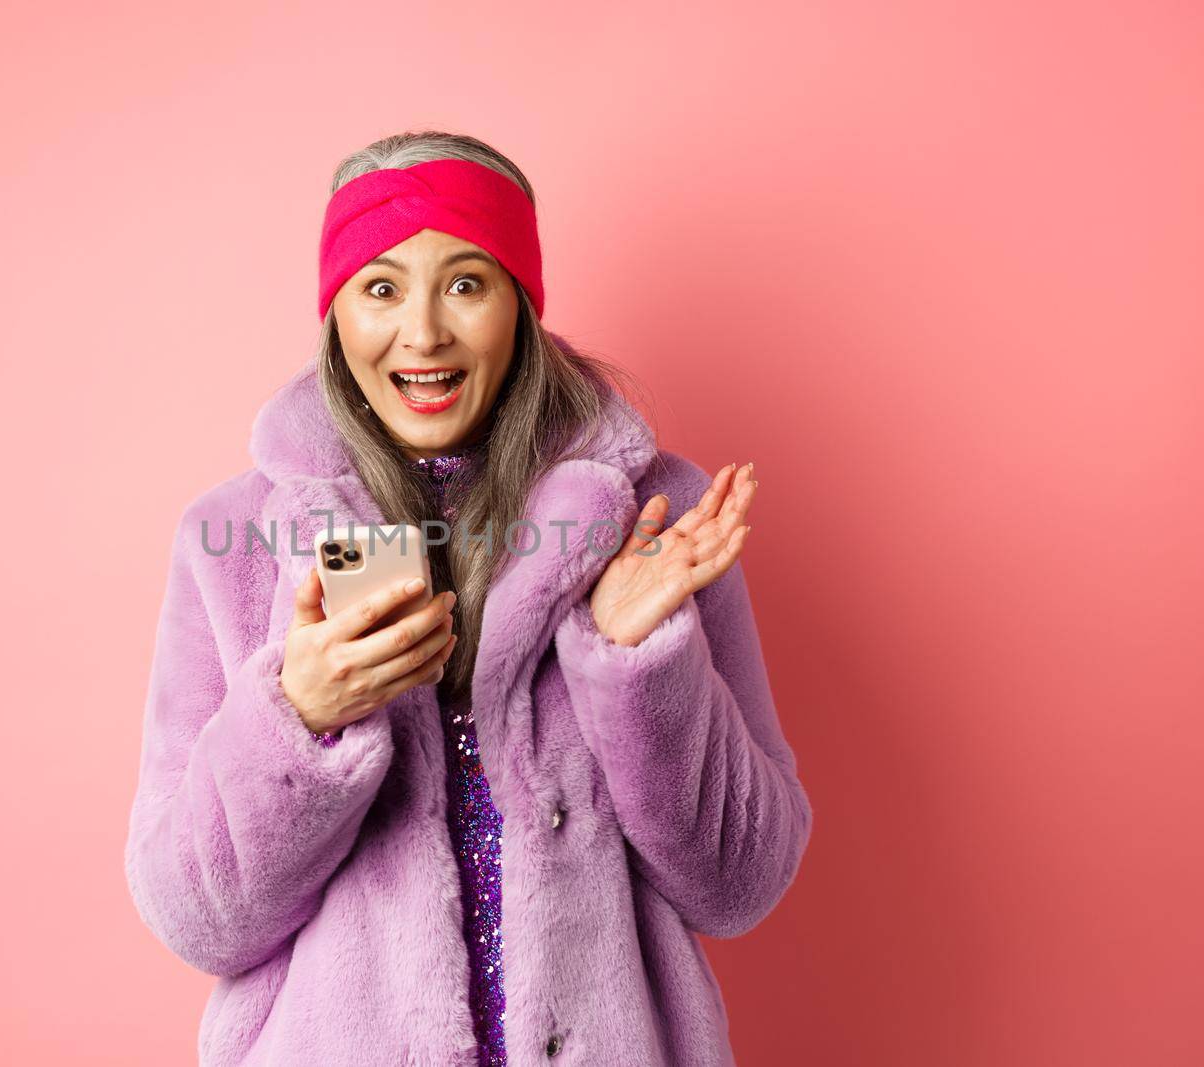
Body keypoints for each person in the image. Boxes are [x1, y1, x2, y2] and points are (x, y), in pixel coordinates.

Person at [123, 130, 812, 1067]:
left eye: (464, 282)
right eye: (380, 287)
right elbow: (194, 916)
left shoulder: (656, 519)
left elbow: (741, 884)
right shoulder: (239, 540)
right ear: (336, 316)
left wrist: (637, 661)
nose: (423, 333)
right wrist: (301, 717)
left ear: (519, 305)